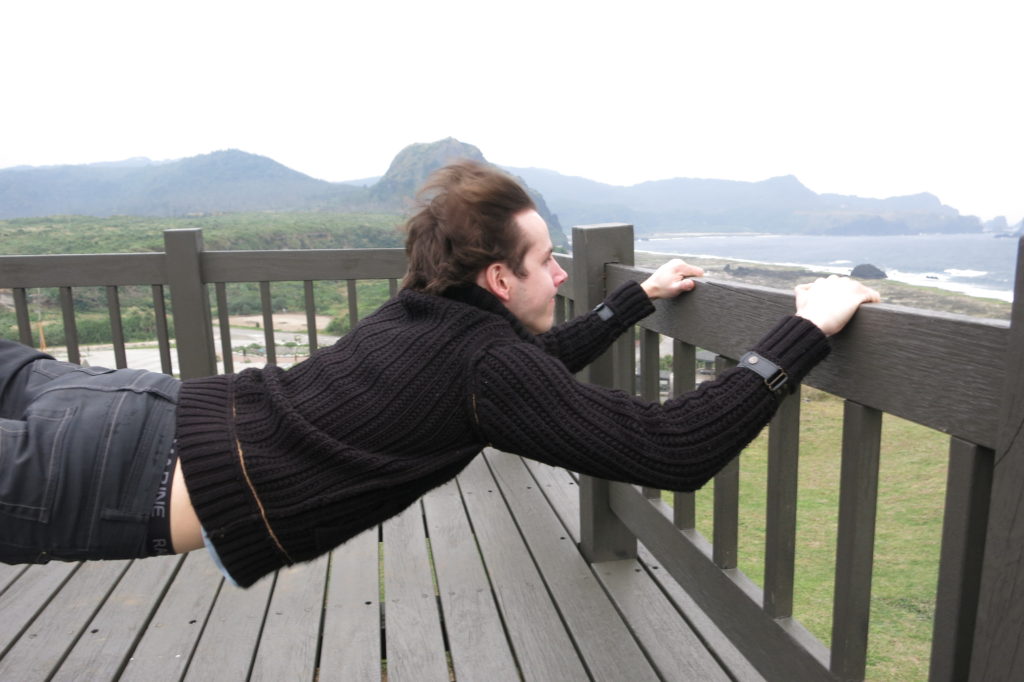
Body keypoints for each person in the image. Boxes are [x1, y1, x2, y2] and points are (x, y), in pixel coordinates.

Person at [0, 161, 880, 587]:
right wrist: (803, 330)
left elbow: (525, 371)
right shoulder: (482, 364)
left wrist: (634, 300)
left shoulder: (422, 314)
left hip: (121, 405)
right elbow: (674, 448)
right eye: (546, 262)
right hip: (122, 468)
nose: (562, 275)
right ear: (497, 279)